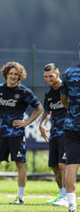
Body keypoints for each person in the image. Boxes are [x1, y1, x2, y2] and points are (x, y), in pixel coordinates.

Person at [0, 62, 43, 205]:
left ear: (20, 76)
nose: (13, 76)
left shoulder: (24, 92)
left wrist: (25, 122)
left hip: (17, 134)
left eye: (16, 75)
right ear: (6, 74)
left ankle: (20, 197)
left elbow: (39, 109)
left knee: (19, 163)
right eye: (11, 74)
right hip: (1, 133)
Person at [39, 63, 68, 207]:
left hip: (69, 132)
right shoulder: (48, 93)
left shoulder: (68, 89)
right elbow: (46, 111)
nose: (48, 79)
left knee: (64, 165)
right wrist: (42, 124)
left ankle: (68, 197)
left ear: (58, 74)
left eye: (51, 76)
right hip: (55, 133)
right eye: (45, 77)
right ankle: (62, 195)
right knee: (55, 166)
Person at [60, 44, 80, 212]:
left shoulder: (69, 73)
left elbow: (63, 100)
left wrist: (73, 110)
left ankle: (72, 204)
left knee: (71, 165)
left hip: (72, 125)